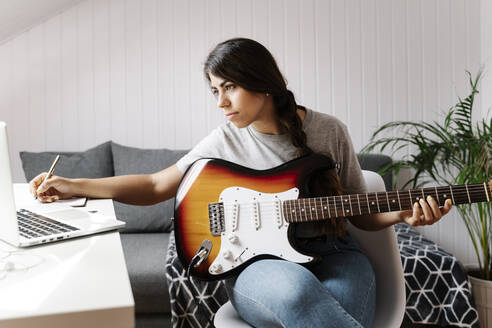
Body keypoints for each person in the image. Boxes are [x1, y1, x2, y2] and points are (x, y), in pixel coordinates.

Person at [29, 38, 452, 328]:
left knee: (335, 307)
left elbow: (361, 211)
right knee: (298, 294)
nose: (221, 102)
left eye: (229, 86)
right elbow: (159, 186)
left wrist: (401, 214)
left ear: (263, 82)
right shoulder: (224, 141)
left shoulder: (329, 131)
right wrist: (77, 184)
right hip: (258, 265)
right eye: (215, 90)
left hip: (336, 253)